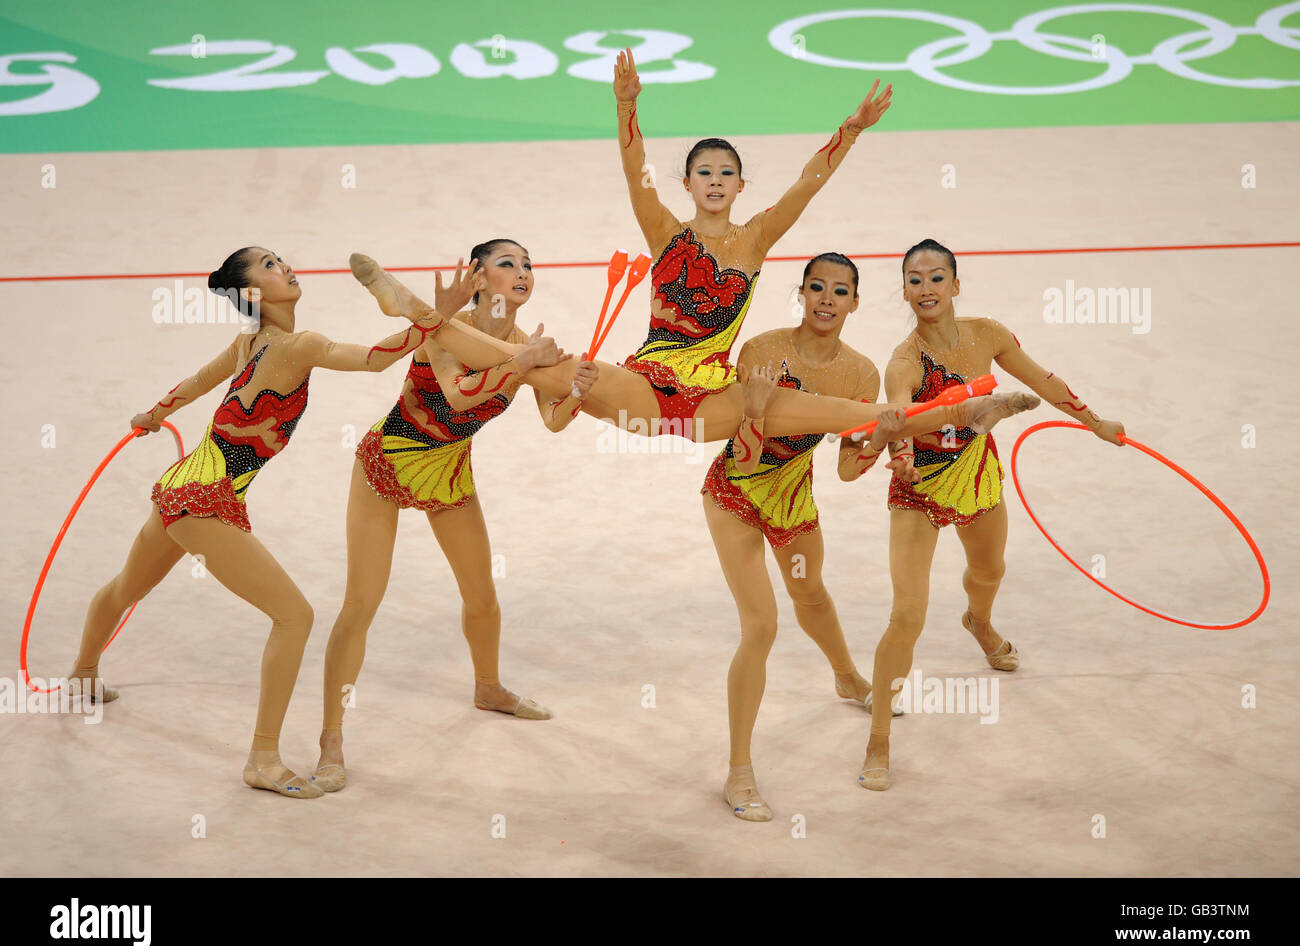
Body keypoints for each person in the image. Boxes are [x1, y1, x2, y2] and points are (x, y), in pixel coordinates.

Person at [346, 56, 1038, 445]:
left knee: (847, 416)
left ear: (739, 184)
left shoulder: (758, 237)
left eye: (725, 173)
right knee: (542, 367)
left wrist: (850, 129)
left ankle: (971, 409)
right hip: (645, 383)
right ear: (688, 183)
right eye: (702, 172)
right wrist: (625, 105)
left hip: (717, 396)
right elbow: (630, 167)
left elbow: (808, 184)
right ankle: (406, 304)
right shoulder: (665, 234)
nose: (713, 181)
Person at [66, 246, 480, 799]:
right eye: (268, 265)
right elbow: (377, 359)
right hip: (206, 499)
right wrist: (436, 315)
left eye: (280, 258)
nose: (285, 265)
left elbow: (196, 382)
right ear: (254, 293)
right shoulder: (297, 345)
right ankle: (262, 758)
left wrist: (154, 415)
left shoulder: (248, 344)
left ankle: (83, 673)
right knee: (294, 616)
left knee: (125, 587)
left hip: (179, 489)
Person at [314, 239, 597, 792]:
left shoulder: (525, 342)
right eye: (508, 263)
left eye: (528, 265)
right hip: (389, 463)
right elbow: (460, 395)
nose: (522, 272)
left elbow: (553, 421)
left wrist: (575, 393)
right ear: (477, 276)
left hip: (448, 471)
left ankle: (488, 687)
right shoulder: (445, 329)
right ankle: (330, 736)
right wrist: (523, 363)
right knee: (361, 604)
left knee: (482, 594)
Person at [859, 239, 1125, 792]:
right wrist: (901, 457)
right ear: (905, 291)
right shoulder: (904, 361)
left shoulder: (990, 335)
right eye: (914, 279)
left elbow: (1044, 380)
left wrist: (1095, 422)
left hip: (975, 471)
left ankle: (978, 622)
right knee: (906, 615)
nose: (926, 288)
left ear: (957, 285)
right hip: (920, 489)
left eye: (936, 277)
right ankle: (879, 738)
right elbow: (899, 415)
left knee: (990, 571)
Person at [703, 253, 909, 821]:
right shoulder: (763, 352)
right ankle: (738, 771)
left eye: (838, 291)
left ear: (854, 302)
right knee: (762, 623)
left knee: (811, 594)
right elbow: (740, 449)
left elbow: (845, 468)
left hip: (792, 493)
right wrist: (756, 411)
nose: (825, 299)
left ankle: (846, 677)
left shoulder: (862, 374)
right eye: (816, 287)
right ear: (801, 293)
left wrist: (877, 443)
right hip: (736, 492)